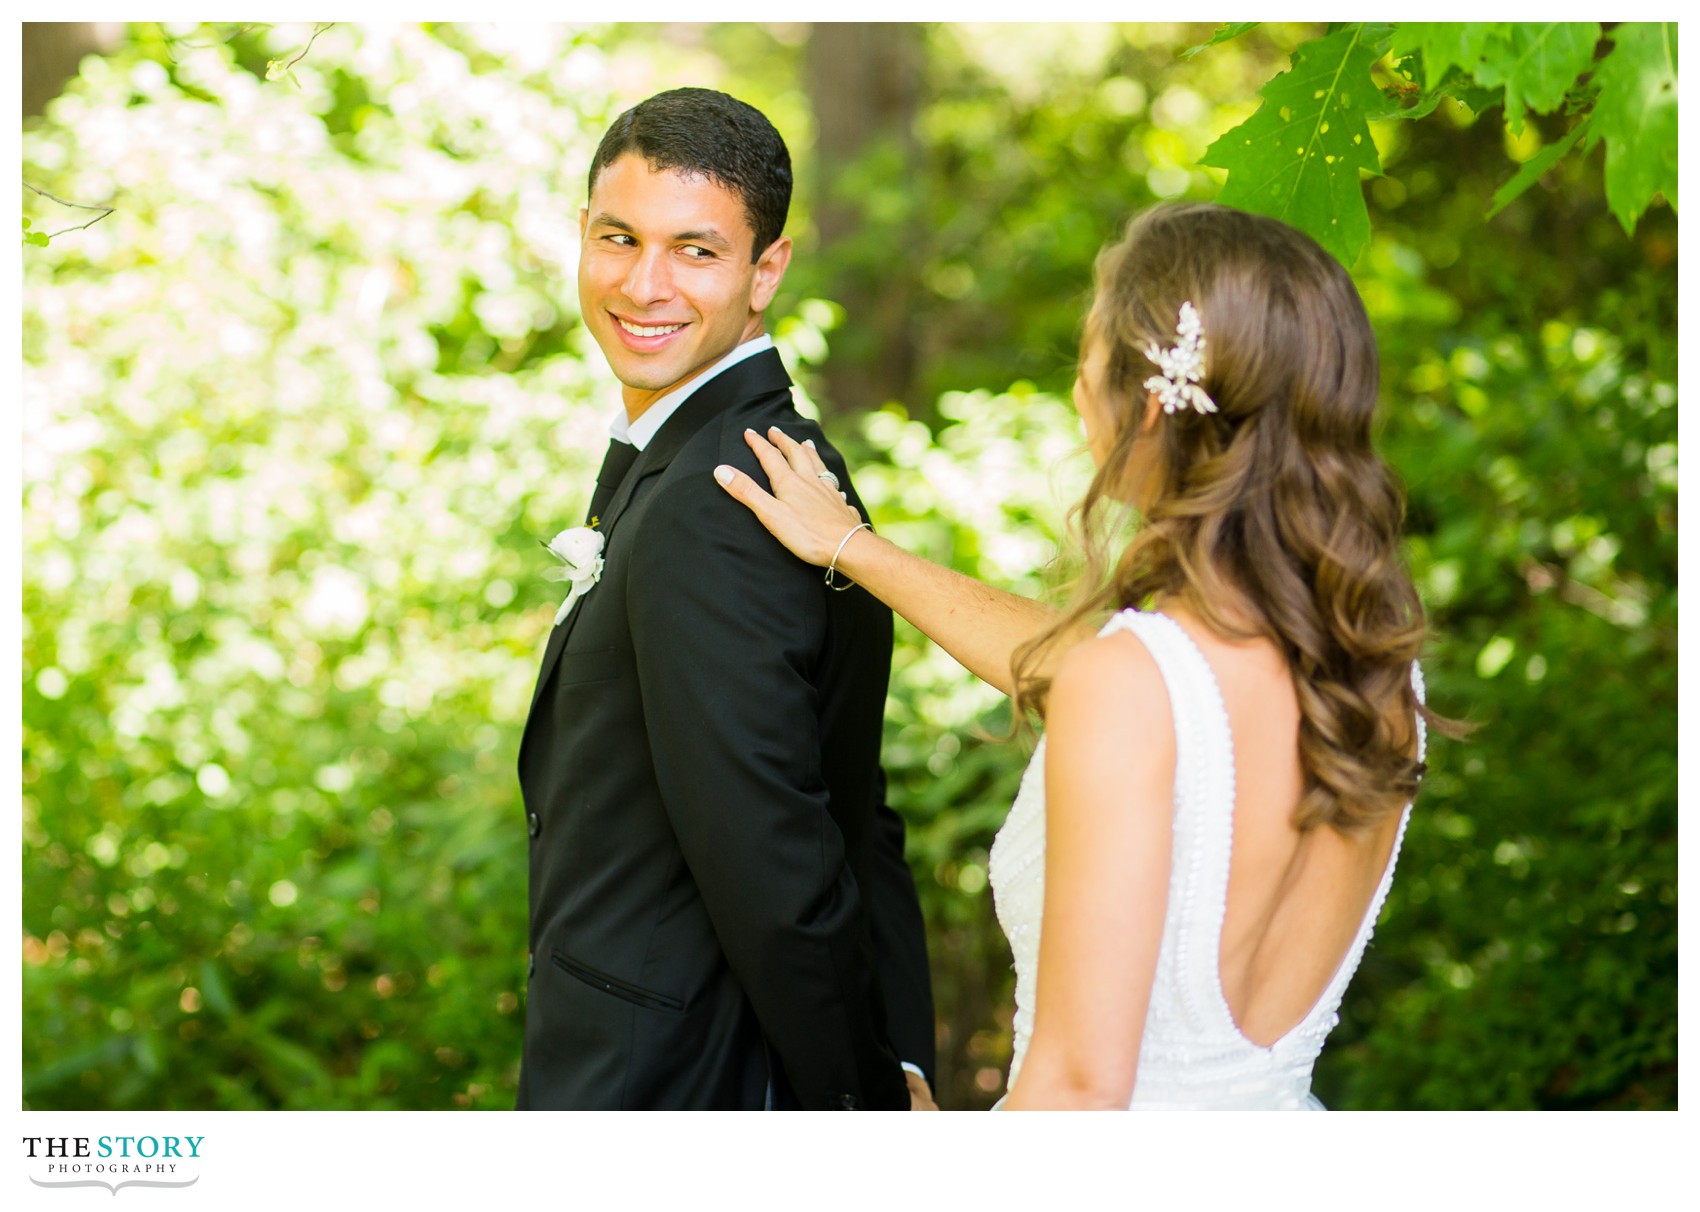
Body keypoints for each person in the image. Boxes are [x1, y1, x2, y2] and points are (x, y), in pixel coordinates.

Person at [715, 201, 1456, 1109]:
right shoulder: (1370, 663)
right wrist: (856, 549)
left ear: (1148, 404)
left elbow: (1075, 1092)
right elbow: (1098, 671)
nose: (1077, 388)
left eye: (1090, 353)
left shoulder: (1136, 681)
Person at [516, 87, 935, 1111]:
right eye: (619, 238)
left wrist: (870, 1095)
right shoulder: (722, 453)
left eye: (695, 251)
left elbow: (778, 851)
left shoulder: (725, 493)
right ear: (582, 235)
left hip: (681, 1081)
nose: (643, 284)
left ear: (765, 272)